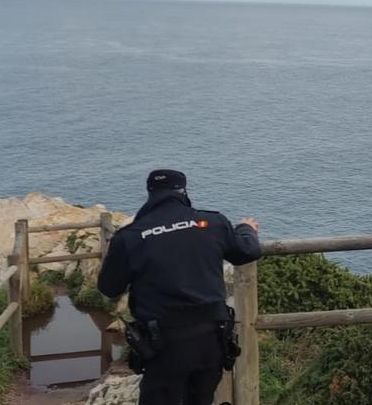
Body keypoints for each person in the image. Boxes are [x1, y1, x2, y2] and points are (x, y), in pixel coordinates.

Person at [98, 169, 262, 405]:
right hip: (212, 341)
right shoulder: (214, 222)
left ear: (150, 193)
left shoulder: (130, 237)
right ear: (183, 191)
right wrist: (246, 228)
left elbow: (109, 288)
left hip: (163, 346)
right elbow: (248, 251)